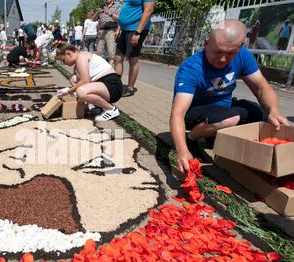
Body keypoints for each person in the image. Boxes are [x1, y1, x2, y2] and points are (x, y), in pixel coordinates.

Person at [170, 20, 290, 174]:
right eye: (218, 52)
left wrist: (274, 110)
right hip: (194, 112)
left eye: (230, 53)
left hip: (223, 109)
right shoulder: (191, 67)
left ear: (240, 47)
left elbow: (262, 87)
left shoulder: (243, 56)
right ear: (207, 43)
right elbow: (177, 114)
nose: (222, 59)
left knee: (264, 115)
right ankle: (192, 137)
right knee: (230, 119)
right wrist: (182, 151)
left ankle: (219, 136)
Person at [56, 45, 123, 122]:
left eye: (63, 60)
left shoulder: (81, 56)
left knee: (81, 91)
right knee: (74, 80)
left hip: (113, 86)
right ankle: (97, 106)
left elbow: (85, 81)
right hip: (105, 85)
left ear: (68, 54)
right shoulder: (77, 64)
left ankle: (111, 109)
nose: (63, 63)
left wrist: (68, 91)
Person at [115, 0, 156, 97]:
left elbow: (148, 10)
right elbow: (127, 10)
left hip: (135, 29)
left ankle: (130, 88)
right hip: (125, 29)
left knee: (133, 59)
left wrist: (138, 33)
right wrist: (119, 28)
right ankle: (116, 86)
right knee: (117, 58)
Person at [93, 0, 121, 65]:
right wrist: (97, 13)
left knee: (111, 53)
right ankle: (100, 71)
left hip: (111, 30)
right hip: (101, 31)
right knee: (99, 52)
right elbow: (93, 20)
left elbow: (120, 19)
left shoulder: (117, 6)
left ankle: (110, 72)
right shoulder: (101, 6)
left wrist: (109, 13)